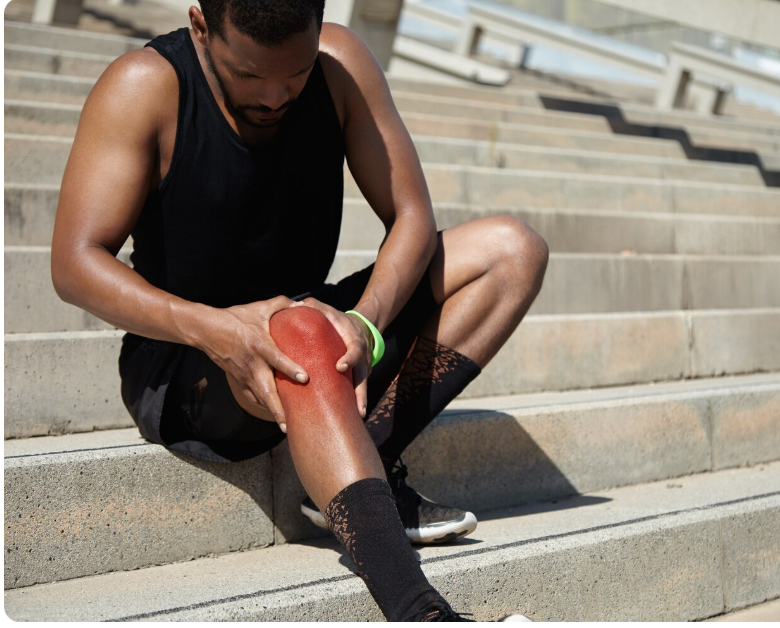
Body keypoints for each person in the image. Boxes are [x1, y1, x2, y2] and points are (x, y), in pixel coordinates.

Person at [50, 0, 548, 621]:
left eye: (297, 71)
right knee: (301, 327)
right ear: (202, 26)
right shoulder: (145, 85)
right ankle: (418, 610)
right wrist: (215, 328)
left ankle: (353, 463)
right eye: (249, 75)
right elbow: (74, 261)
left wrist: (365, 321)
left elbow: (413, 216)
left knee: (511, 251)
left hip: (312, 322)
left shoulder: (341, 64)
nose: (278, 95)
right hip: (189, 359)